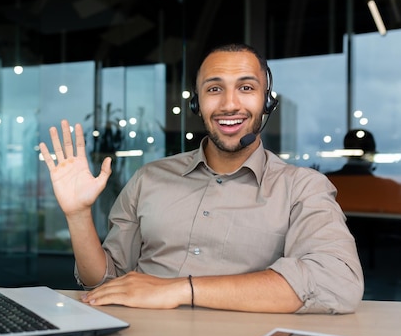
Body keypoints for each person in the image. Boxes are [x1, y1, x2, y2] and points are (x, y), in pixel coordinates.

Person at [39, 43, 364, 314]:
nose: (229, 104)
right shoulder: (149, 178)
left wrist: (180, 290)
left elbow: (337, 282)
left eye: (246, 88)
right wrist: (78, 215)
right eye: (214, 89)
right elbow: (104, 282)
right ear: (197, 102)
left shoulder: (302, 188)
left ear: (267, 103)